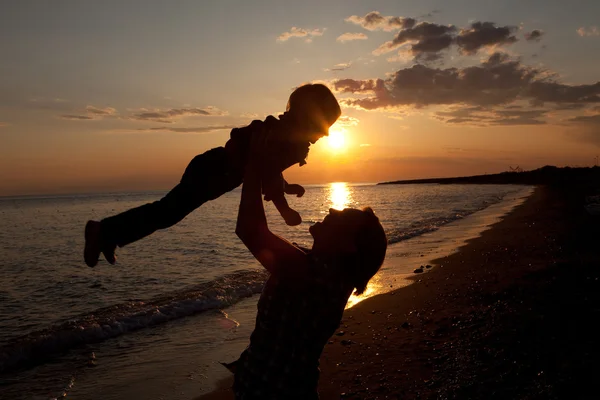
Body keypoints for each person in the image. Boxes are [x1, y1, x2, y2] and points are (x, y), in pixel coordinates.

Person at [84, 83, 341, 267]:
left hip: (212, 169)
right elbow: (268, 171)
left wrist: (285, 187)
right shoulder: (284, 140)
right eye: (323, 127)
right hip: (211, 171)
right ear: (307, 120)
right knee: (166, 213)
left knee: (166, 212)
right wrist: (285, 210)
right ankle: (103, 230)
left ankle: (110, 235)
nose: (323, 135)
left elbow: (267, 170)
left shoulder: (283, 136)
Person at [232, 128, 388, 399]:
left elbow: (250, 230)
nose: (332, 209)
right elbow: (265, 237)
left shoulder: (316, 277)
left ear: (348, 245)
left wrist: (254, 164)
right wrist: (272, 180)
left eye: (342, 215)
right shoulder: (322, 270)